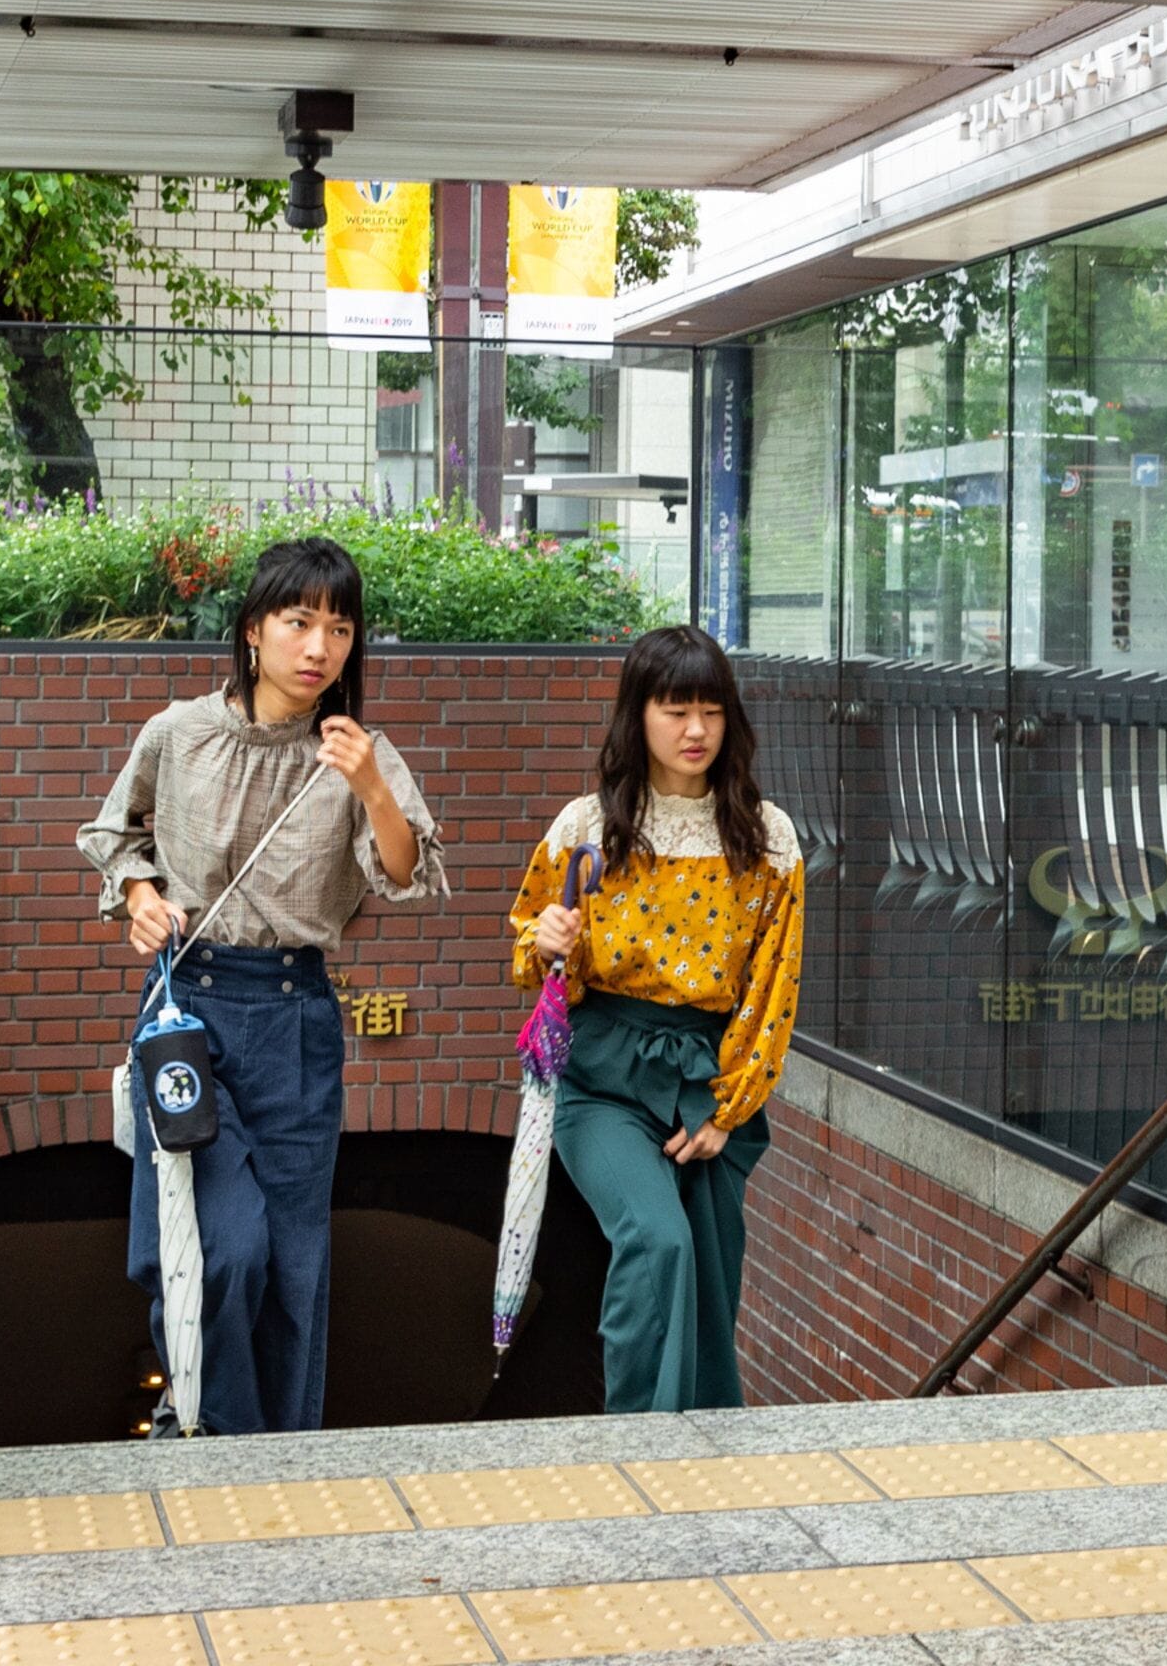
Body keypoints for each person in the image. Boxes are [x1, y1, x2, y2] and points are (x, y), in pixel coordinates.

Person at [80, 538, 446, 1435]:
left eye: (341, 627)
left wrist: (369, 786)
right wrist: (139, 897)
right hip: (188, 1012)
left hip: (295, 1021)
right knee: (223, 1249)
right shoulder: (180, 734)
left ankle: (279, 1464)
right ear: (254, 631)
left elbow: (404, 870)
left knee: (291, 1267)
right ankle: (213, 1435)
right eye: (300, 622)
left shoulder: (361, 752)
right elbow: (115, 837)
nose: (320, 646)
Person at [511, 626, 804, 1412]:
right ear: (637, 716)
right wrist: (547, 944)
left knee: (712, 1283)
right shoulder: (585, 828)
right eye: (676, 710)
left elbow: (775, 986)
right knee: (657, 1240)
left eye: (712, 710)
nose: (696, 730)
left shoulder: (767, 838)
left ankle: (697, 1465)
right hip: (602, 1075)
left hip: (708, 1076)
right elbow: (530, 957)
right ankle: (634, 1438)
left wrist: (729, 1108)